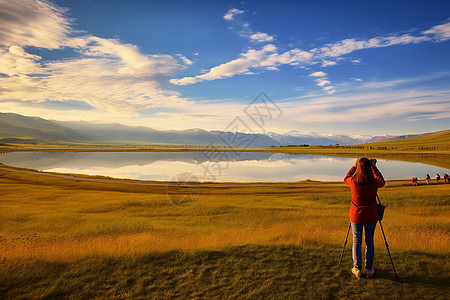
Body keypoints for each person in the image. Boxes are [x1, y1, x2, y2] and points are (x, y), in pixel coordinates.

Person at [344, 158, 385, 278]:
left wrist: (353, 166)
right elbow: (381, 181)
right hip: (371, 216)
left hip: (356, 216)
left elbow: (345, 177)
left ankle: (357, 269)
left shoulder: (353, 181)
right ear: (369, 168)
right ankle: (369, 270)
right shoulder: (373, 183)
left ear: (358, 168)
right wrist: (374, 167)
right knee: (369, 241)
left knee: (356, 241)